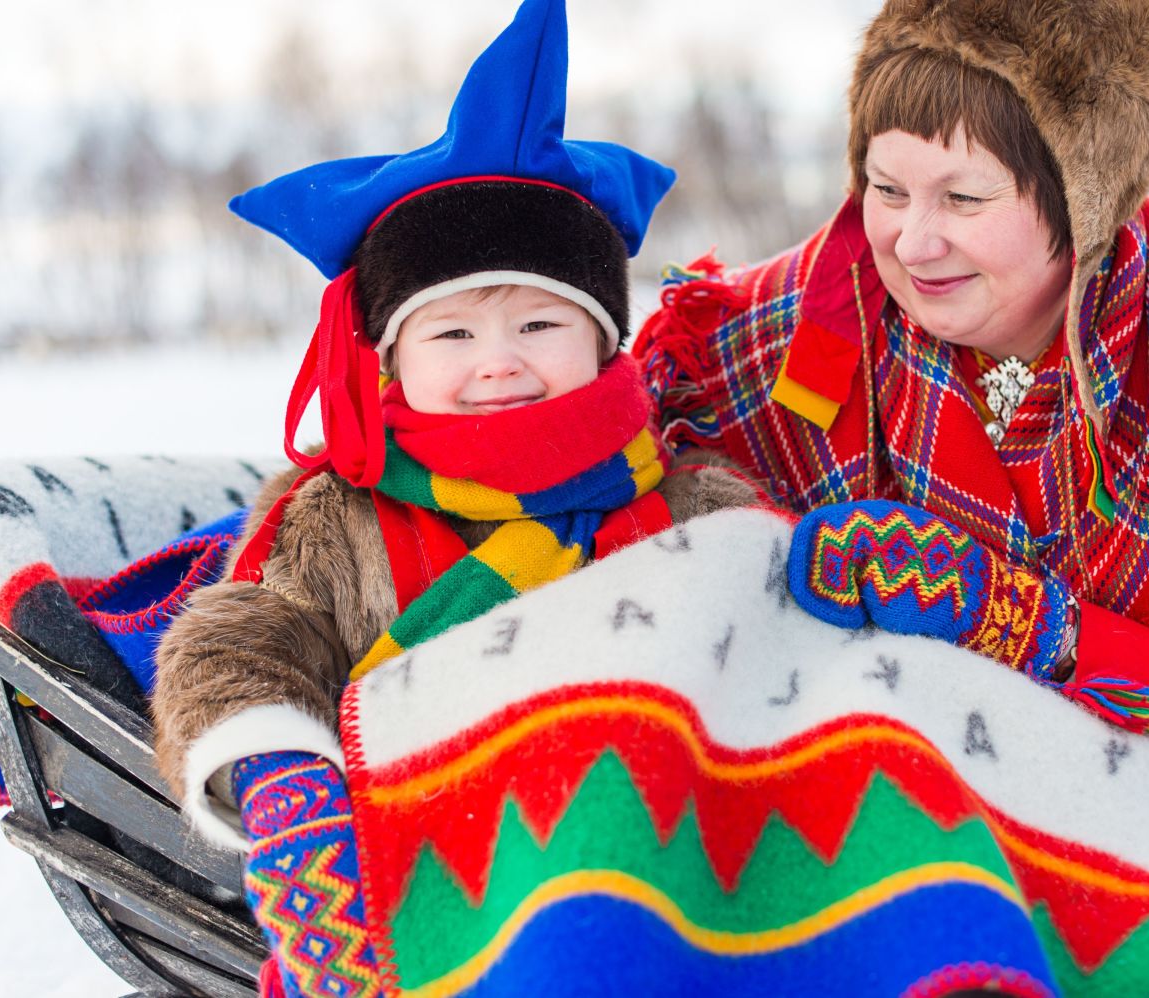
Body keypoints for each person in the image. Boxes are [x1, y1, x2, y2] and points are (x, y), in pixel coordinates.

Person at [634, 0, 1149, 803]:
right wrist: (736, 523)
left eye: (964, 199)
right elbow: (629, 447)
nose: (913, 241)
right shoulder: (796, 323)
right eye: (887, 188)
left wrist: (1035, 628)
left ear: (1081, 197)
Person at [151, 2, 758, 992]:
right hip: (425, 864)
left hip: (664, 866)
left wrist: (832, 581)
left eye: (538, 321)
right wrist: (277, 773)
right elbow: (240, 640)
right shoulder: (338, 513)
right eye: (454, 335)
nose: (501, 362)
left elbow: (765, 613)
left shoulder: (683, 500)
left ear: (605, 339)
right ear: (391, 356)